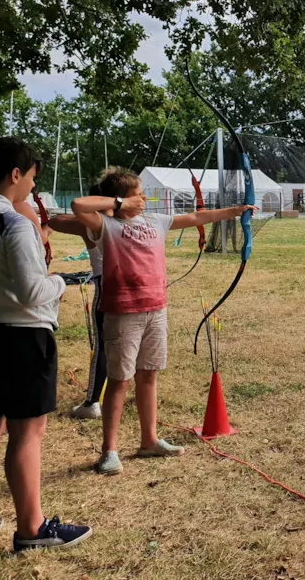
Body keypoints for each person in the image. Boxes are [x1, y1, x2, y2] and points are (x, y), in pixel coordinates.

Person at [71, 167, 255, 475]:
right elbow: (78, 206)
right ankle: (109, 451)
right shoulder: (106, 225)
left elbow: (195, 218)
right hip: (123, 312)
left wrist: (234, 211)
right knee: (119, 380)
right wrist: (119, 204)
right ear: (119, 199)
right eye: (137, 195)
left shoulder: (155, 221)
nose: (143, 199)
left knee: (149, 375)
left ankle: (149, 441)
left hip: (156, 309)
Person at [0, 136, 91, 554]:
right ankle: (32, 529)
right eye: (32, 178)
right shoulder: (14, 224)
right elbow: (31, 291)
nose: (33, 187)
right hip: (23, 337)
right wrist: (62, 282)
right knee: (27, 433)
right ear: (15, 174)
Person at [47, 182, 110, 420]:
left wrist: (81, 214)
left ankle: (92, 402)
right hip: (136, 288)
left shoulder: (88, 225)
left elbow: (54, 222)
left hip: (107, 287)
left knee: (103, 346)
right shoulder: (129, 221)